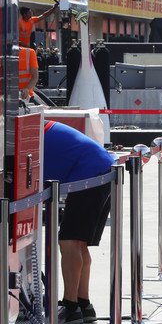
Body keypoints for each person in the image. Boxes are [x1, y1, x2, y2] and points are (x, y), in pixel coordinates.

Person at [43, 120, 115, 324]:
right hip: (100, 170)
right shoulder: (43, 127)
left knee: (69, 242)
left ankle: (70, 305)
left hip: (89, 175)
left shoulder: (30, 133)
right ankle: (84, 304)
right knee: (79, 243)